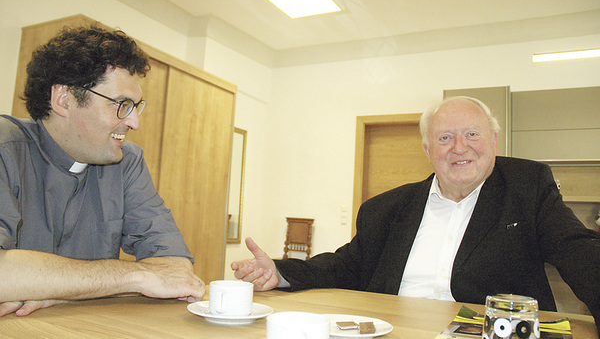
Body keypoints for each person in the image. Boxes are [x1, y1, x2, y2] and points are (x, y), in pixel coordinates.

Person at [232, 96, 600, 334]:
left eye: (472, 133)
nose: (460, 148)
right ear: (427, 149)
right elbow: (346, 265)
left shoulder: (526, 186)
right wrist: (279, 272)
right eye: (444, 138)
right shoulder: (386, 208)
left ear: (494, 142)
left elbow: (578, 251)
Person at [0, 25, 205, 317]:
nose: (134, 122)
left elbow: (176, 269)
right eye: (122, 104)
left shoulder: (126, 162)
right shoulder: (4, 146)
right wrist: (135, 277)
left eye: (136, 106)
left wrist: (60, 289)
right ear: (64, 99)